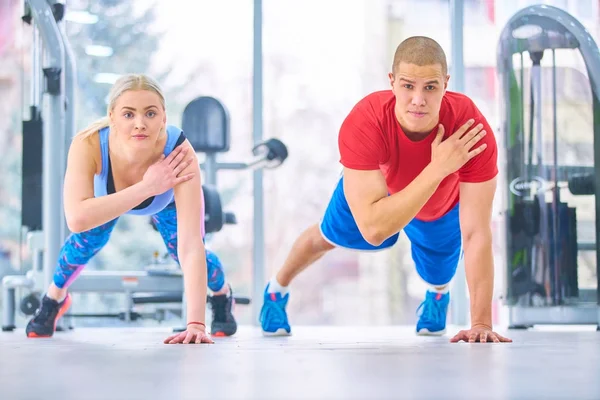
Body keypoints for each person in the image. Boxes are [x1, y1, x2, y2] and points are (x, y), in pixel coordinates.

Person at [259, 36, 512, 344]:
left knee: (440, 272)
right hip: (375, 192)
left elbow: (476, 234)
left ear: (446, 83)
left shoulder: (470, 128)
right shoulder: (365, 120)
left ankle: (436, 296)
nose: (418, 99)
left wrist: (482, 323)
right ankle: (276, 291)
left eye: (430, 87)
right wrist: (438, 168)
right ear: (392, 82)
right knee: (323, 237)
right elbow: (374, 230)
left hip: (440, 205)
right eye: (408, 86)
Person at [25, 73, 237, 344]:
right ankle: (54, 298)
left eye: (150, 113)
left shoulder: (180, 153)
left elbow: (191, 245)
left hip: (166, 198)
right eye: (128, 115)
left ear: (163, 117)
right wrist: (148, 186)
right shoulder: (87, 143)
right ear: (112, 116)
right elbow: (77, 219)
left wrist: (196, 323)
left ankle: (221, 295)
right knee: (86, 241)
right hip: (111, 197)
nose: (140, 124)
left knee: (180, 249)